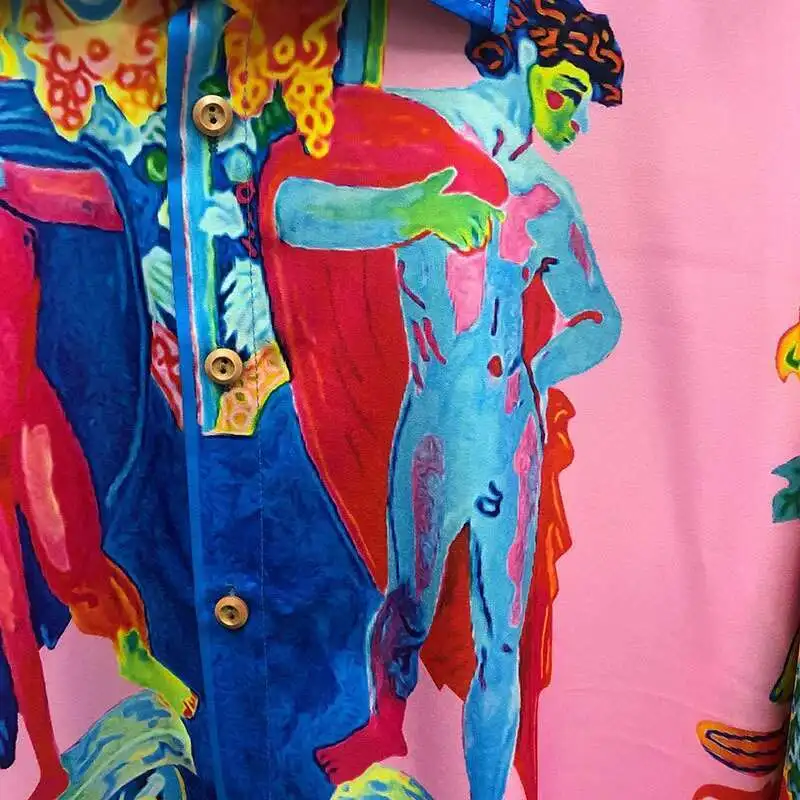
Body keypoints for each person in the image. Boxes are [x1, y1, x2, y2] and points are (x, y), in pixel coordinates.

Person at [0, 160, 197, 800]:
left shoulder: (10, 183)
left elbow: (99, 202)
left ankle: (133, 651)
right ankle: (47, 768)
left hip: (26, 415)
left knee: (72, 561)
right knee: (8, 611)